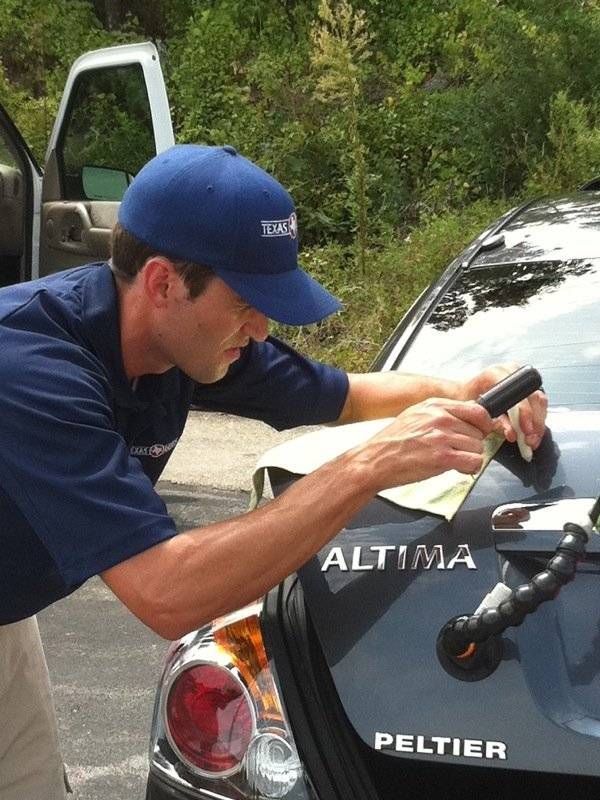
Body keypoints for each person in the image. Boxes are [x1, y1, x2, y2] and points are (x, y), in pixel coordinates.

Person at [0, 144, 547, 798]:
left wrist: (468, 388)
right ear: (163, 283)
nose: (261, 329)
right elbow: (167, 592)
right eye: (246, 303)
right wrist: (365, 467)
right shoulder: (33, 373)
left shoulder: (184, 339)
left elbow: (346, 394)